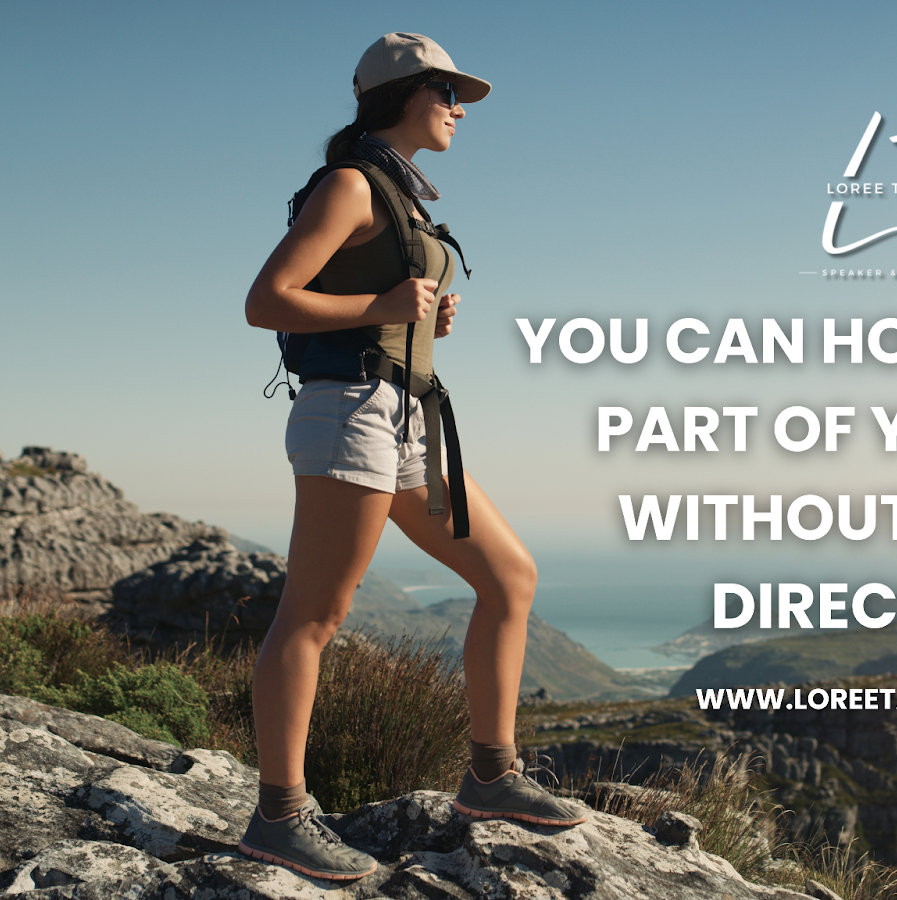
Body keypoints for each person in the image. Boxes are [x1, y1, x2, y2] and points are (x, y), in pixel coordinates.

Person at [238, 33, 588, 881]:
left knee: (510, 577)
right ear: (402, 94)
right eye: (447, 94)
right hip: (350, 415)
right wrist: (385, 302)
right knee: (313, 619)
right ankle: (279, 816)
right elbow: (267, 300)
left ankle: (491, 775)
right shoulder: (351, 184)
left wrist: (419, 322)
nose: (460, 109)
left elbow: (373, 306)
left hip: (403, 418)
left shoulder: (400, 190)